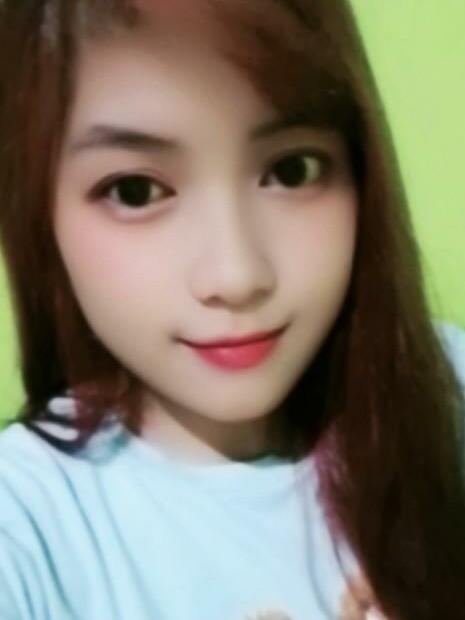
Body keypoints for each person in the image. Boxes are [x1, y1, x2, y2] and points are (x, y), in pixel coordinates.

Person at [0, 1, 464, 619]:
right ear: (40, 211)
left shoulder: (446, 390)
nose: (236, 276)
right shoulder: (27, 523)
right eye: (136, 191)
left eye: (291, 170)